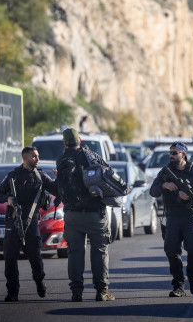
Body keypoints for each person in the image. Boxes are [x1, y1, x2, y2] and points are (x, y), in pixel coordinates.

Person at [54, 128, 115, 303]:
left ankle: (76, 293)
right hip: (95, 213)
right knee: (100, 252)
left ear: (65, 143)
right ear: (80, 140)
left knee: (75, 253)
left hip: (72, 215)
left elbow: (61, 187)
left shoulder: (61, 160)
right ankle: (102, 292)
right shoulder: (92, 156)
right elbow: (108, 176)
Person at [0, 146, 56, 302]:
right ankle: (13, 292)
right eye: (34, 156)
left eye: (38, 156)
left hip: (31, 220)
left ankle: (39, 281)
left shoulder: (40, 176)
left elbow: (56, 189)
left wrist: (59, 179)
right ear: (25, 157)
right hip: (13, 220)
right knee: (10, 258)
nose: (37, 159)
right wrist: (8, 199)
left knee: (35, 256)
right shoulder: (12, 176)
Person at [150, 142, 193, 297]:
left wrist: (191, 197)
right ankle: (178, 285)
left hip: (190, 216)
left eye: (175, 153)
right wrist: (164, 185)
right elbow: (152, 191)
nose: (171, 155)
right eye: (170, 152)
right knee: (172, 251)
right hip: (172, 217)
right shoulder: (165, 172)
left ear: (183, 155)